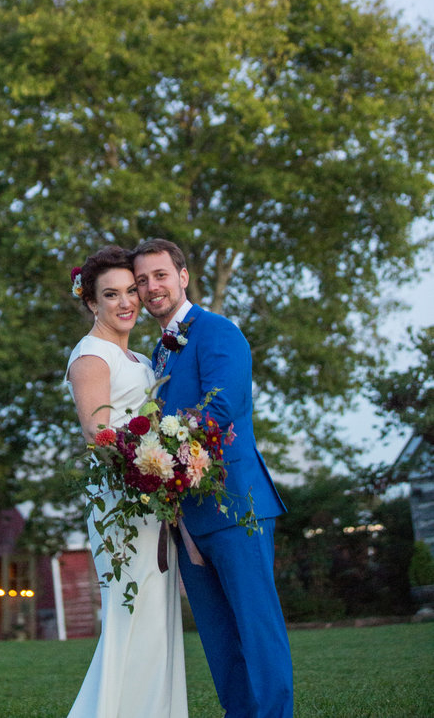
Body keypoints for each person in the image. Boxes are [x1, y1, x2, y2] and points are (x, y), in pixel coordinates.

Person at [132, 237, 293, 718]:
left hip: (234, 506)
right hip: (188, 517)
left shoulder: (218, 331)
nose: (151, 287)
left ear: (182, 276)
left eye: (160, 275)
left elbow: (220, 409)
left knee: (255, 627)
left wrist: (154, 447)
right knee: (219, 638)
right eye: (142, 281)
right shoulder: (159, 355)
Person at [65, 244, 188, 718]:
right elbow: (99, 433)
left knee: (157, 618)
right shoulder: (92, 356)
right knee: (132, 614)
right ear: (92, 303)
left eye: (131, 291)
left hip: (150, 498)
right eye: (110, 294)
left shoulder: (137, 355)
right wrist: (156, 464)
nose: (126, 302)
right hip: (121, 500)